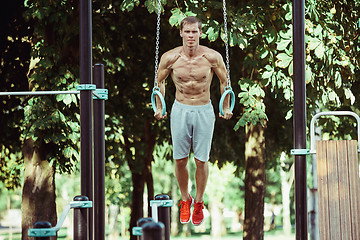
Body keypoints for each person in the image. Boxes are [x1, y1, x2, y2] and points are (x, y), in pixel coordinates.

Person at [154, 16, 233, 226]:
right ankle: (185, 198)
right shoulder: (170, 58)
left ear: (200, 33)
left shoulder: (212, 57)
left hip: (204, 110)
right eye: (187, 32)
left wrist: (225, 107)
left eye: (194, 32)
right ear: (181, 33)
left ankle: (198, 201)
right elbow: (159, 82)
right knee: (180, 159)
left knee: (201, 160)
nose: (190, 36)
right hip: (180, 109)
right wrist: (159, 106)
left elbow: (225, 82)